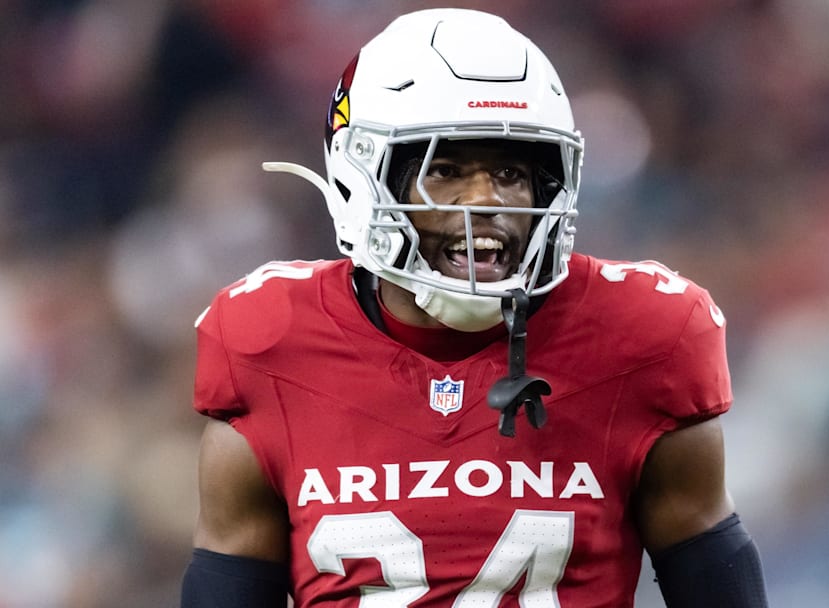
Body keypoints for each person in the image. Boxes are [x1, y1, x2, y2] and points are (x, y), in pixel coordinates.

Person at [180, 8, 768, 607]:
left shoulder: (643, 336)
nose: (486, 200)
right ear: (364, 179)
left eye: (511, 171)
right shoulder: (272, 342)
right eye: (445, 170)